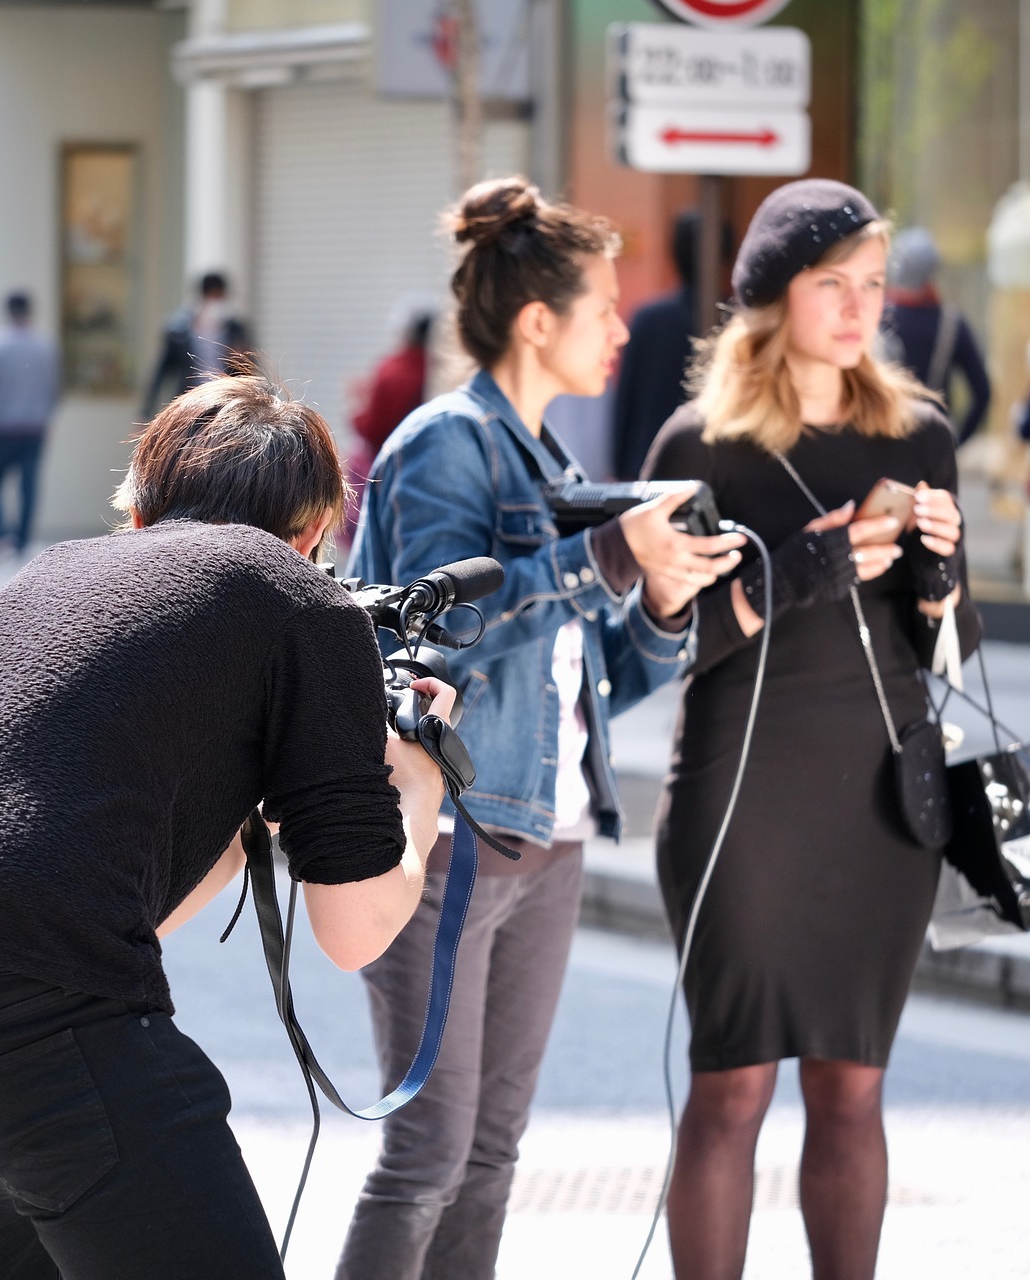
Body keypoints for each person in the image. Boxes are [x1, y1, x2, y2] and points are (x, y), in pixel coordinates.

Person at [0, 373, 456, 1280]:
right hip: (36, 1045)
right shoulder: (297, 597)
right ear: (313, 535)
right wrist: (418, 790)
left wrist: (257, 821)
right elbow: (354, 932)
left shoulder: (54, 574)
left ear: (142, 509)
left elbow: (92, 893)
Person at [335, 177, 746, 1280]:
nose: (621, 329)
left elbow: (590, 674)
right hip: (454, 830)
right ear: (535, 320)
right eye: (603, 308)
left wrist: (668, 601)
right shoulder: (444, 445)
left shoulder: (554, 464)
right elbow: (441, 632)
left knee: (489, 1154)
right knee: (427, 1149)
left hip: (549, 835)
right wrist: (608, 556)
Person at [640, 179, 982, 1280]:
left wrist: (935, 576)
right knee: (730, 1080)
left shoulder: (917, 431)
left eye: (870, 285)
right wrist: (791, 575)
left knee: (851, 1083)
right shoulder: (701, 443)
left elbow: (952, 649)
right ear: (769, 294)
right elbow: (658, 643)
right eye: (829, 283)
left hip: (880, 800)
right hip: (741, 799)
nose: (856, 306)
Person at [612, 210, 732, 481]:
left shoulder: (649, 319)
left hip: (645, 462)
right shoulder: (740, 323)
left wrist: (621, 465)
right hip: (722, 468)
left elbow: (627, 401)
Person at [880, 225, 990, 444]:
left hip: (885, 439)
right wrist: (957, 440)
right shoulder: (951, 323)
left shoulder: (877, 317)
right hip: (936, 444)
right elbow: (982, 392)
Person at [0, 291, 61, 558]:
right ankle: (21, 540)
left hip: (3, 426)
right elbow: (55, 388)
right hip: (35, 426)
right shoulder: (46, 346)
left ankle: (1, 532)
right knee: (29, 484)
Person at [345, 301, 434, 530]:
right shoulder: (438, 370)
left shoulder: (393, 370)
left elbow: (374, 427)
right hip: (425, 470)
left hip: (387, 469)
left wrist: (356, 412)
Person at [141, 270, 254, 417]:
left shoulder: (234, 329)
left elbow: (249, 369)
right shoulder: (179, 330)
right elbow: (161, 373)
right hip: (190, 401)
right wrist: (146, 412)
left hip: (227, 402)